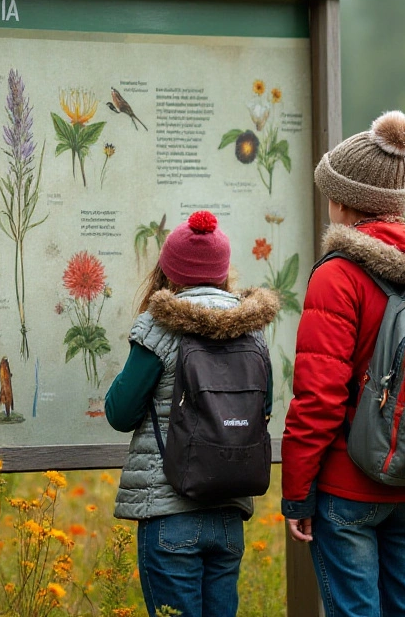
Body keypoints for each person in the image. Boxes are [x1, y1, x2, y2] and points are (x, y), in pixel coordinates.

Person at [281, 110, 405, 616]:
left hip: (348, 486)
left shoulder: (338, 275)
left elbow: (319, 395)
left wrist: (297, 492)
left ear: (343, 200)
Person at [104, 210, 279, 617]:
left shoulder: (159, 327)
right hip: (228, 512)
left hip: (170, 512)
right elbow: (263, 409)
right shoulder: (252, 331)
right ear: (223, 271)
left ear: (169, 271)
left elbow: (119, 412)